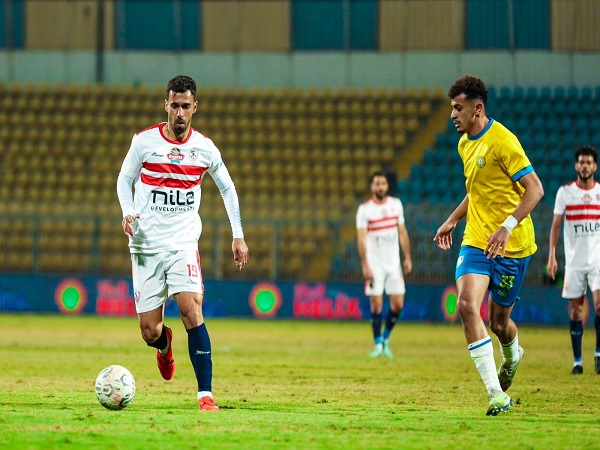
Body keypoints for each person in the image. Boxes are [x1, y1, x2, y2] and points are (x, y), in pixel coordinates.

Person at [116, 75, 249, 411]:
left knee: (191, 309)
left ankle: (205, 395)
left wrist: (238, 234)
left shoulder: (204, 148)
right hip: (145, 245)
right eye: (174, 105)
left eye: (185, 106)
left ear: (195, 107)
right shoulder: (144, 142)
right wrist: (128, 211)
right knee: (150, 330)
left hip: (182, 243)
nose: (179, 112)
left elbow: (227, 188)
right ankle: (164, 346)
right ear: (166, 105)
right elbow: (124, 178)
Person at [433, 75, 544, 416]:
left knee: (499, 323)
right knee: (467, 304)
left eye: (458, 108)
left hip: (512, 246)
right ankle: (496, 394)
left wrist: (507, 227)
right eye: (452, 108)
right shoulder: (464, 144)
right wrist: (453, 218)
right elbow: (476, 191)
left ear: (477, 108)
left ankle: (512, 355)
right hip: (477, 240)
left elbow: (535, 190)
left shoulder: (503, 141)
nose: (453, 115)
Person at [547, 145, 600, 376]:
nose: (585, 166)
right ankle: (578, 362)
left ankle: (598, 353)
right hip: (575, 262)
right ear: (576, 165)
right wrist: (552, 256)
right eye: (581, 162)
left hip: (597, 261)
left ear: (595, 166)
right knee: (576, 312)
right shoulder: (565, 193)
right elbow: (555, 226)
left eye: (589, 162)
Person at [356, 171, 412, 359]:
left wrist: (407, 257)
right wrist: (365, 264)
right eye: (377, 183)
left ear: (387, 186)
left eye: (383, 183)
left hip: (393, 264)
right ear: (372, 186)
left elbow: (402, 232)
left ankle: (386, 338)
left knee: (398, 304)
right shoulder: (365, 210)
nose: (380, 187)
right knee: (376, 306)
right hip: (375, 265)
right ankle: (378, 344)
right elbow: (361, 239)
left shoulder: (396, 205)